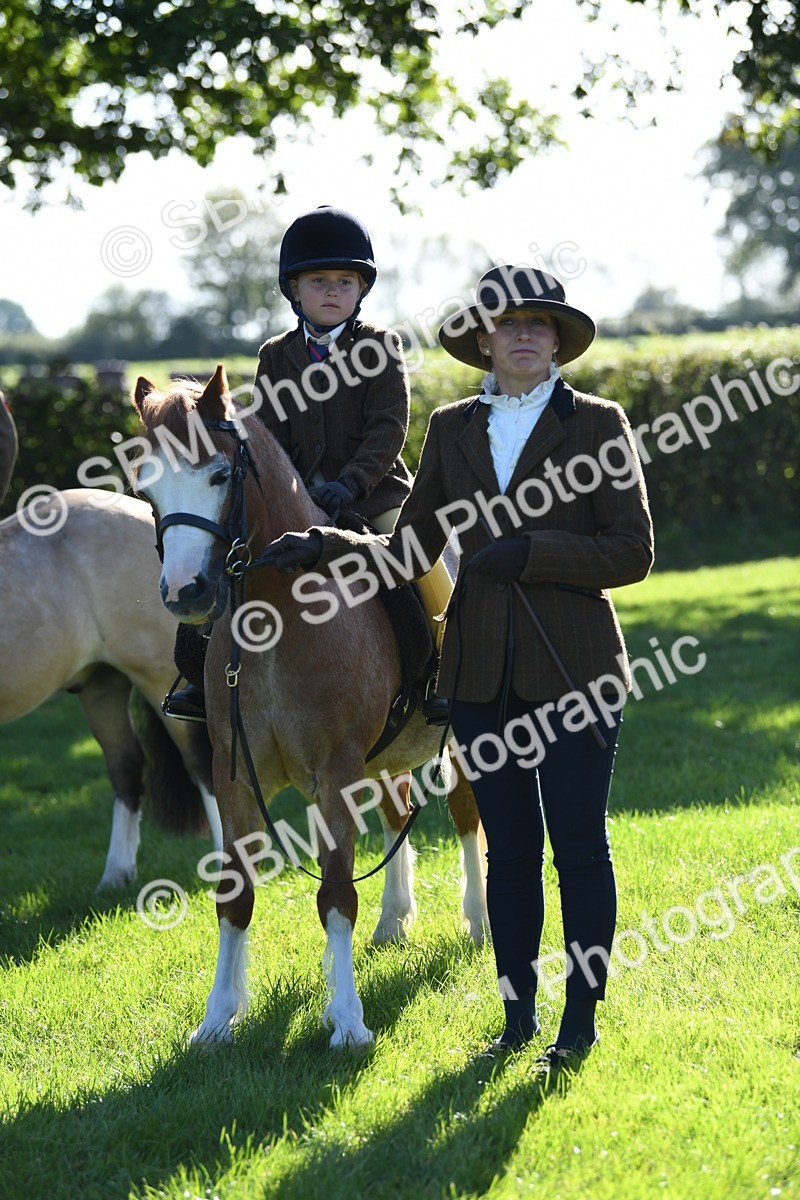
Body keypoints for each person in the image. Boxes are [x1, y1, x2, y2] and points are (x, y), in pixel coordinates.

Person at [261, 263, 654, 1069]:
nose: (523, 335)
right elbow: (409, 549)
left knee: (579, 848)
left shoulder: (598, 424)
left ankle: (579, 1021)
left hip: (577, 668)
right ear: (484, 340)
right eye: (508, 324)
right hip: (478, 675)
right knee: (509, 852)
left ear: (558, 343)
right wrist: (327, 544)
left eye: (538, 325)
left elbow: (632, 551)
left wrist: (533, 552)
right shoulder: (450, 428)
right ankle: (517, 1017)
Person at [165, 206, 451, 722]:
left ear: (362, 289)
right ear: (294, 290)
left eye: (345, 282)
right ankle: (196, 676)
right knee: (226, 552)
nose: (333, 291)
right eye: (319, 281)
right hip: (293, 497)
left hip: (372, 493)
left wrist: (350, 483)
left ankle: (445, 671)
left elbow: (389, 429)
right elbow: (268, 434)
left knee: (423, 565)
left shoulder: (381, 346)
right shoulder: (276, 355)